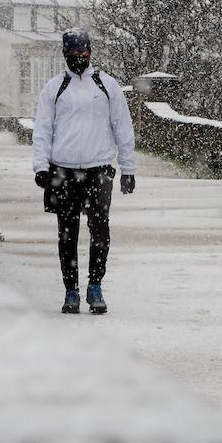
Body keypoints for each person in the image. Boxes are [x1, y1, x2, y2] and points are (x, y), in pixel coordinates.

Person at [32, 29, 136, 315]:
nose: (78, 59)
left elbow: (122, 127)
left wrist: (128, 168)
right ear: (64, 55)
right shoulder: (55, 88)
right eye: (72, 55)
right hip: (62, 171)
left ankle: (95, 286)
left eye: (83, 54)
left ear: (90, 53)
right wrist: (41, 166)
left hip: (98, 170)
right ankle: (71, 291)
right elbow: (42, 129)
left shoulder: (106, 86)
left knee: (100, 230)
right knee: (68, 234)